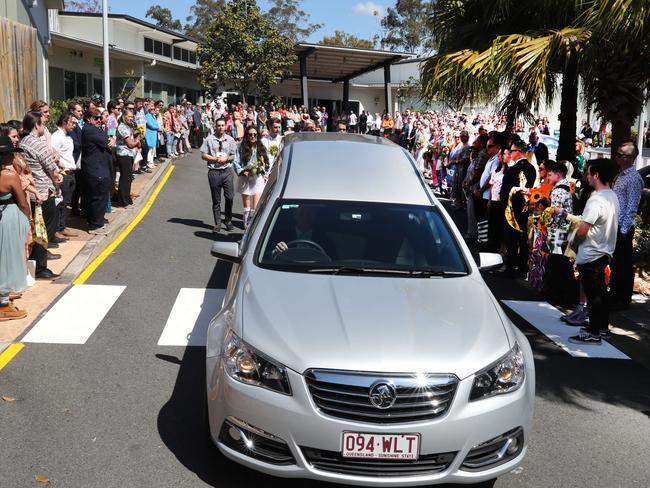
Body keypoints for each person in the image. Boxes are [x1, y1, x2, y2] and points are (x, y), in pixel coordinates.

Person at [568, 159, 619, 345]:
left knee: (593, 294)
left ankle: (593, 331)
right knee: (600, 293)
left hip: (591, 252)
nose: (586, 176)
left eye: (589, 173)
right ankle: (603, 328)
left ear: (596, 175)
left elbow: (583, 229)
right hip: (605, 251)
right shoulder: (612, 196)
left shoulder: (596, 199)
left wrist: (574, 243)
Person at [19, 111, 63, 279]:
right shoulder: (38, 144)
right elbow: (51, 166)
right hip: (43, 191)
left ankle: (34, 264)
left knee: (36, 229)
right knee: (43, 230)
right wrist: (58, 177)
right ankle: (40, 267)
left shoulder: (23, 142)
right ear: (36, 125)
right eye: (42, 123)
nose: (44, 126)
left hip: (31, 191)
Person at [608, 142, 644, 310]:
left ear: (629, 158)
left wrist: (623, 230)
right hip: (616, 225)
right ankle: (615, 293)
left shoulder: (633, 178)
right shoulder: (621, 175)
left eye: (620, 154)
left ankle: (622, 297)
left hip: (623, 227)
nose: (616, 157)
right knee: (616, 262)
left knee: (623, 262)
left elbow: (632, 206)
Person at [0, 136, 32, 320]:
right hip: (9, 219)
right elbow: (23, 203)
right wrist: (28, 220)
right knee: (9, 259)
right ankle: (3, 304)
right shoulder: (9, 176)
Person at [498, 139, 537, 278]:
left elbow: (506, 190)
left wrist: (504, 203)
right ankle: (521, 268)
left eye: (513, 151)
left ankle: (511, 267)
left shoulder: (514, 169)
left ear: (518, 152)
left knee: (511, 239)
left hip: (512, 208)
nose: (511, 153)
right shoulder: (531, 169)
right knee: (522, 239)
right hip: (524, 208)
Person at [81, 108, 114, 235]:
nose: (99, 120)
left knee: (100, 195)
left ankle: (98, 220)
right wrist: (111, 140)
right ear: (89, 119)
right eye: (96, 118)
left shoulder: (94, 129)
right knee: (97, 196)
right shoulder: (89, 130)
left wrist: (111, 140)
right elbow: (108, 142)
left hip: (99, 167)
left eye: (100, 118)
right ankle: (95, 224)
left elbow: (109, 141)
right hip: (96, 169)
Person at [201, 118, 237, 233]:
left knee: (230, 197)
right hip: (214, 172)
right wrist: (216, 159)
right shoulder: (209, 139)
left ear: (225, 126)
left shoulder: (230, 139)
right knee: (216, 200)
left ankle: (228, 220)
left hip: (227, 171)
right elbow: (203, 155)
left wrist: (227, 158)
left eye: (223, 125)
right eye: (219, 125)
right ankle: (217, 223)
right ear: (215, 126)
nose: (221, 127)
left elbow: (234, 155)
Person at [50, 111, 79, 240]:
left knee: (66, 202)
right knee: (60, 203)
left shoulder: (69, 137)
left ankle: (63, 226)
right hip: (63, 173)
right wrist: (58, 170)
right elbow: (52, 155)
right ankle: (57, 229)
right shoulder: (56, 137)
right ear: (64, 121)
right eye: (72, 122)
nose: (74, 125)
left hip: (71, 172)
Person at [235, 126, 269, 228]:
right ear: (247, 136)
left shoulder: (261, 147)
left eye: (255, 134)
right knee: (247, 205)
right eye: (250, 134)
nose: (253, 136)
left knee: (256, 205)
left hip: (257, 178)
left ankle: (253, 226)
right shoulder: (241, 148)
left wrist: (263, 171)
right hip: (245, 178)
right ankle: (246, 225)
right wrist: (242, 171)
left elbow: (266, 162)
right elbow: (236, 162)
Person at [114, 109, 140, 207]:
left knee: (128, 177)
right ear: (124, 116)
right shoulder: (122, 127)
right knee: (125, 177)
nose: (131, 118)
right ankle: (122, 200)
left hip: (129, 154)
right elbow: (130, 144)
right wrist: (137, 143)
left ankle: (127, 198)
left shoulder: (128, 126)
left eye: (132, 117)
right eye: (129, 116)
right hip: (123, 154)